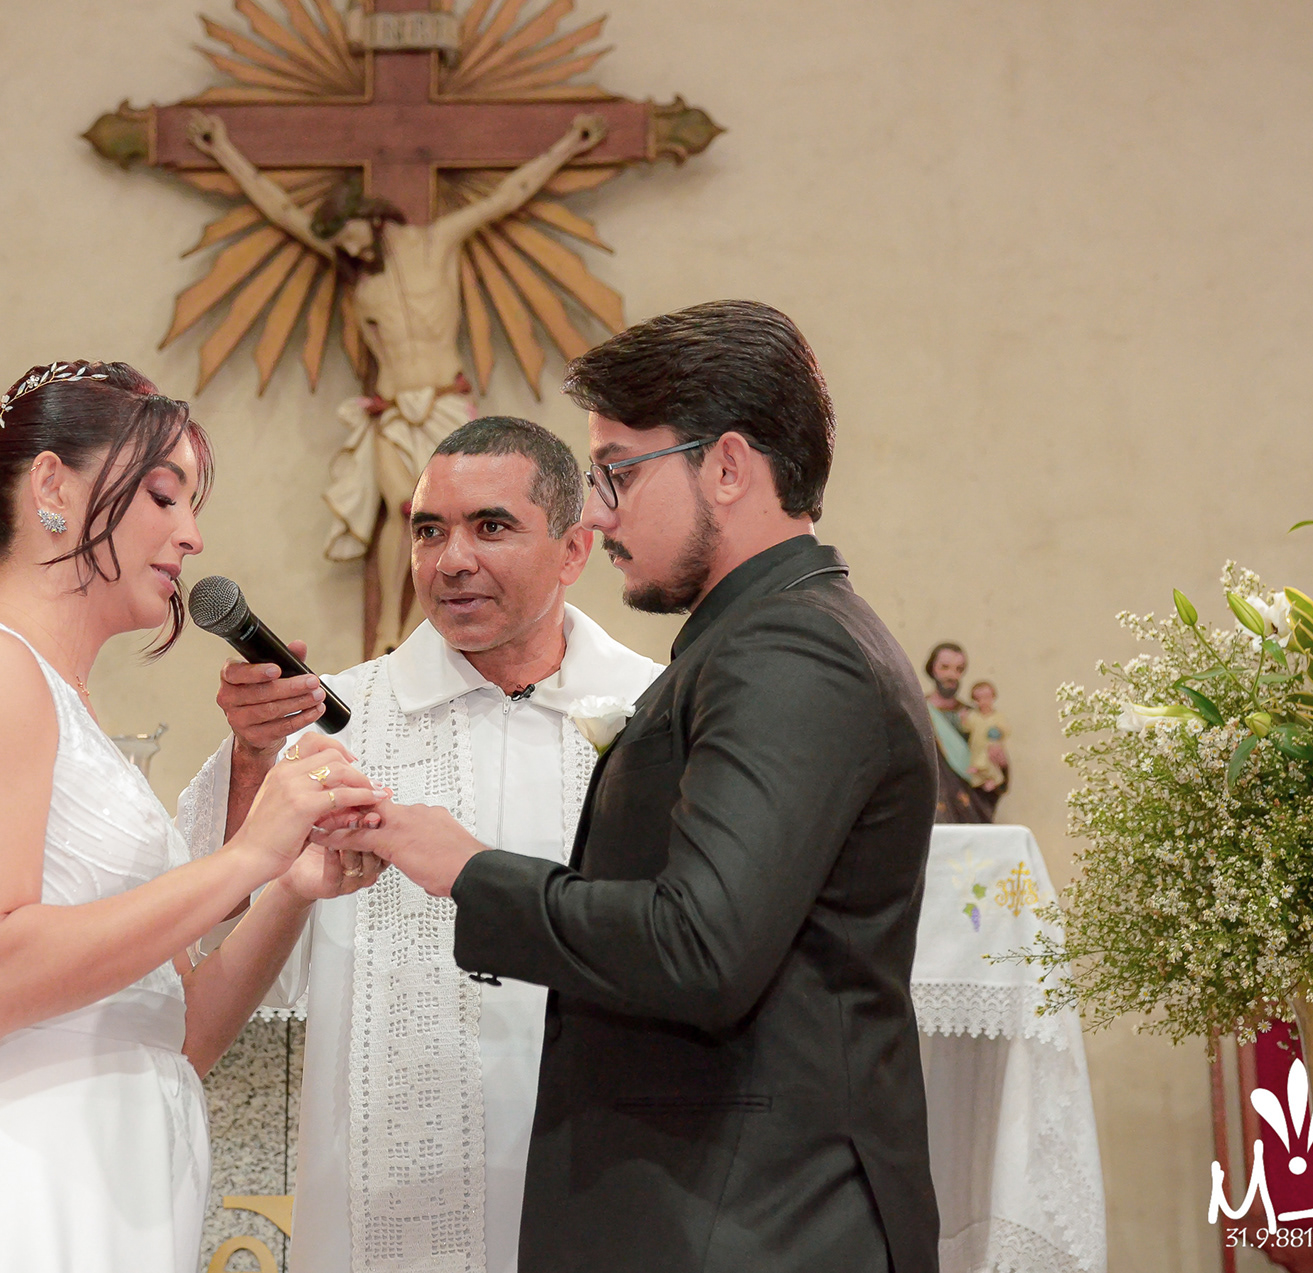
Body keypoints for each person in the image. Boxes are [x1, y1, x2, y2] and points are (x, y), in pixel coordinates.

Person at [336, 302, 942, 1272]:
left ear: (729, 466)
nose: (602, 511)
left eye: (617, 472)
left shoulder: (789, 652)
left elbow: (700, 947)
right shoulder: (756, 639)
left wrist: (471, 870)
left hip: (749, 1220)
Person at [0, 361, 388, 1273]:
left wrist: (293, 884)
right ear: (52, 488)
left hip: (103, 1181)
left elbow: (179, 1031)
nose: (191, 535)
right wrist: (246, 855)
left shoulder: (67, 711)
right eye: (164, 496)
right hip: (4, 1182)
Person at [178, 416, 660, 1273]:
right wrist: (255, 761)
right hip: (388, 1201)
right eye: (429, 530)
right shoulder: (340, 724)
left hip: (608, 1175)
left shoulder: (661, 715)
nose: (451, 559)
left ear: (575, 548)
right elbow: (219, 950)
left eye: (491, 526)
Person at [186, 110, 608, 652]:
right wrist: (222, 148)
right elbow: (283, 210)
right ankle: (389, 630)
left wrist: (569, 144)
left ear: (372, 217)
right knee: (401, 510)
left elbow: (509, 194)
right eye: (340, 244)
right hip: (389, 407)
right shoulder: (356, 269)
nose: (352, 251)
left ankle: (420, 626)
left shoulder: (437, 242)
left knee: (452, 510)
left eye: (353, 236)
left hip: (442, 402)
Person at [925, 641, 1000, 822]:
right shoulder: (919, 713)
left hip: (969, 806)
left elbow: (992, 763)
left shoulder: (974, 717)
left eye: (958, 669)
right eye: (945, 667)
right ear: (932, 669)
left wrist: (1000, 762)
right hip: (932, 806)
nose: (952, 675)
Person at [964, 679, 1008, 793]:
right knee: (977, 763)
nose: (984, 702)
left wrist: (999, 732)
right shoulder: (974, 715)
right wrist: (963, 719)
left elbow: (1005, 730)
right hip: (977, 745)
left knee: (990, 764)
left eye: (987, 697)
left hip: (991, 746)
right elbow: (967, 728)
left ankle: (995, 780)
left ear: (993, 697)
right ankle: (981, 780)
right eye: (979, 699)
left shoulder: (997, 716)